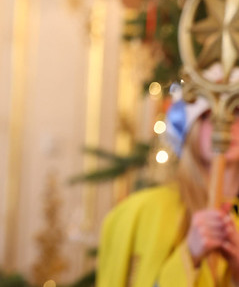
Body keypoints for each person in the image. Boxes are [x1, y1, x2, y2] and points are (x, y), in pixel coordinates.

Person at [96, 91, 239, 285]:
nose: (227, 124)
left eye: (237, 112)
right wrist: (189, 257)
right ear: (191, 125)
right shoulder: (142, 211)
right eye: (210, 114)